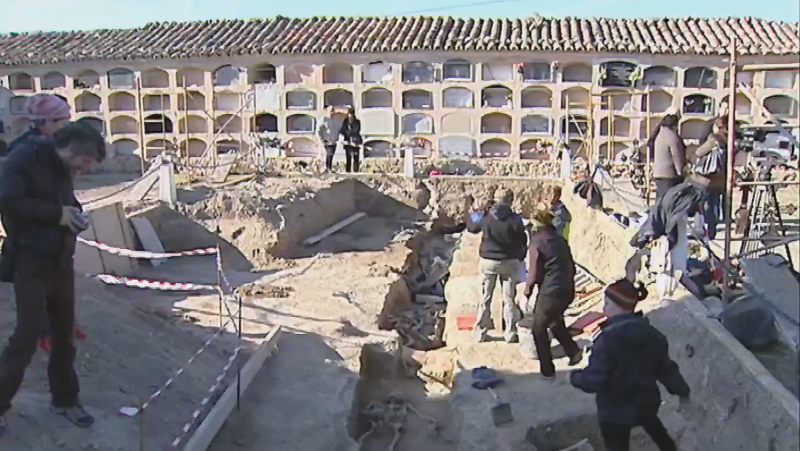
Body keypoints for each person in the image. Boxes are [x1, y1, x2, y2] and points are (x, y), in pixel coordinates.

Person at [0, 122, 107, 436]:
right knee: (25, 337)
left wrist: (76, 213)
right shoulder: (24, 158)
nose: (85, 169)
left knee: (64, 335)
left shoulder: (63, 168)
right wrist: (56, 214)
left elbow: (66, 200)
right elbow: (8, 201)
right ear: (71, 150)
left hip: (61, 259)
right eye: (85, 162)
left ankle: (65, 399)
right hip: (30, 260)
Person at [570, 279, 690, 451]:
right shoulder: (653, 335)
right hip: (646, 403)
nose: (604, 308)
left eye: (607, 304)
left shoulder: (606, 341)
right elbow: (666, 369)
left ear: (619, 306)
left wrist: (575, 377)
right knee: (656, 430)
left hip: (614, 412)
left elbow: (593, 381)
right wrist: (681, 390)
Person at [522, 208, 582, 377]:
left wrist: (527, 291)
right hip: (567, 288)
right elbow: (572, 266)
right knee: (554, 320)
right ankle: (573, 351)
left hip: (551, 290)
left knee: (538, 328)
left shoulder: (537, 242)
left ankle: (547, 370)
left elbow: (533, 273)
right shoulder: (560, 239)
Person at [466, 188, 527, 343]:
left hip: (488, 261)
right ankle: (510, 333)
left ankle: (481, 332)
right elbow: (522, 241)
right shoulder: (515, 219)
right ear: (510, 200)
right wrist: (519, 258)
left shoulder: (486, 216)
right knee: (509, 299)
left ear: (495, 199)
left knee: (485, 298)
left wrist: (473, 212)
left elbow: (472, 227)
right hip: (509, 262)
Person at [695, 116, 729, 240]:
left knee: (709, 205)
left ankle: (710, 232)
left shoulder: (714, 138)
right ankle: (719, 230)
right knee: (719, 205)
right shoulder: (728, 139)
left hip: (712, 177)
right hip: (723, 177)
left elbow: (699, 152)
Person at [5, 93, 71, 155]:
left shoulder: (60, 142)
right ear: (43, 121)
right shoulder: (22, 149)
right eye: (63, 124)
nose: (65, 128)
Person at [649, 111, 686, 202]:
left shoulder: (659, 133)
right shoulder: (672, 136)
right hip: (669, 175)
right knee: (668, 202)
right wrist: (681, 173)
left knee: (660, 201)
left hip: (659, 173)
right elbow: (677, 158)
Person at [339, 106, 362, 173]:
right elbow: (342, 131)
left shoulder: (357, 122)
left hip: (355, 141)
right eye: (349, 114)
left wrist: (350, 130)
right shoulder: (345, 122)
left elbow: (357, 130)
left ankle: (356, 171)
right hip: (347, 141)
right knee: (348, 158)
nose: (350, 115)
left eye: (352, 114)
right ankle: (348, 171)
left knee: (356, 158)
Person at [317, 105, 338, 173]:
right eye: (331, 110)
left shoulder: (333, 120)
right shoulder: (323, 119)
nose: (332, 112)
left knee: (331, 155)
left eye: (333, 110)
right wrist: (321, 139)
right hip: (327, 140)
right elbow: (318, 130)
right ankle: (328, 168)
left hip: (333, 141)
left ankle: (329, 168)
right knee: (329, 154)